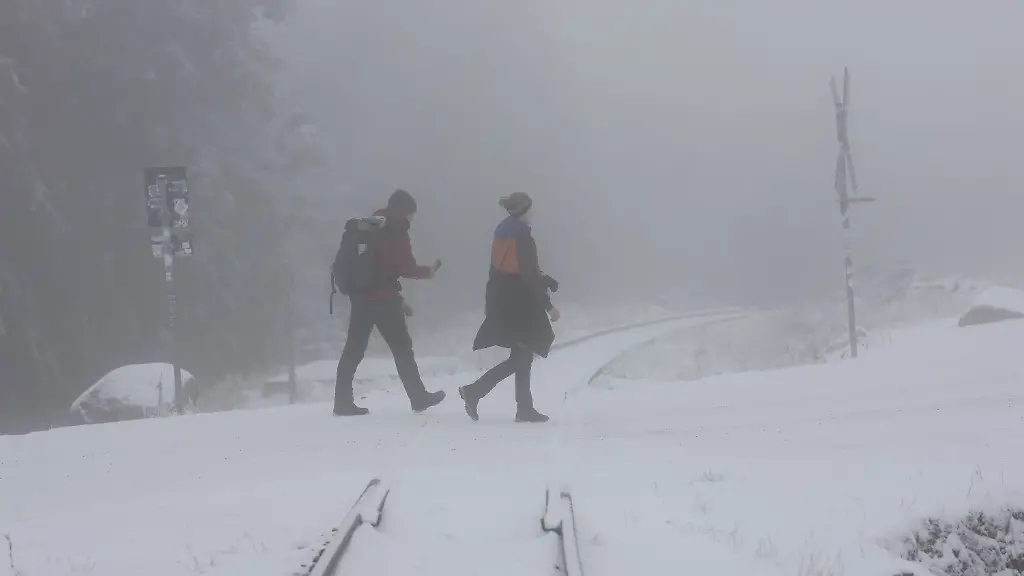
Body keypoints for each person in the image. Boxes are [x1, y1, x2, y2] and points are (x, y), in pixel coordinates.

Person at [334, 189, 445, 416]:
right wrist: (428, 272)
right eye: (411, 214)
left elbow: (379, 268)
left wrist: (399, 300)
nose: (412, 219)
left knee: (353, 350)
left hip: (362, 297)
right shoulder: (397, 230)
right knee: (402, 349)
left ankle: (342, 402)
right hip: (383, 300)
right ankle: (419, 397)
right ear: (404, 211)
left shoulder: (372, 226)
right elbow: (405, 268)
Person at [458, 192, 560, 423]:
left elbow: (508, 270)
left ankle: (523, 407)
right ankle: (474, 391)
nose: (534, 213)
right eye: (531, 209)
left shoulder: (503, 233)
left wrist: (544, 279)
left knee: (522, 354)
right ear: (523, 211)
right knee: (524, 353)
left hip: (504, 297)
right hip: (521, 302)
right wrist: (548, 305)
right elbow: (526, 274)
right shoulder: (522, 237)